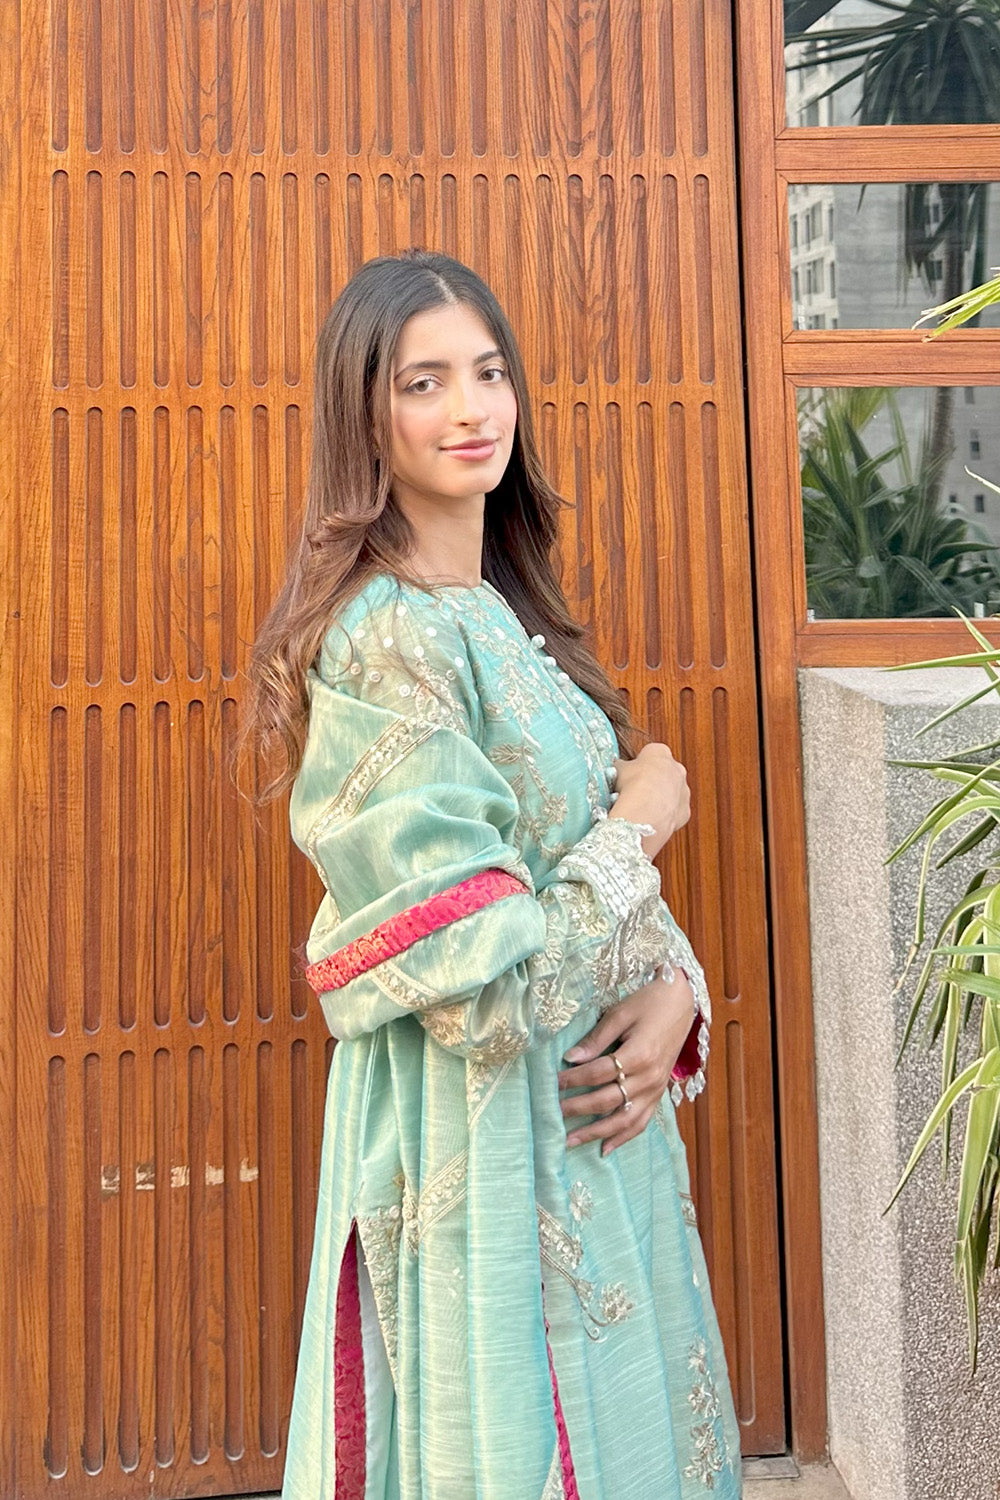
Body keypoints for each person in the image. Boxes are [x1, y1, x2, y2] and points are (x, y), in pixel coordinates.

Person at [249, 250, 742, 1499]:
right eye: (423, 383)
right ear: (365, 414)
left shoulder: (505, 617)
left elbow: (583, 884)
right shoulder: (385, 643)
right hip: (476, 1146)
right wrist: (644, 824)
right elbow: (481, 986)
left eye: (488, 372)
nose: (470, 409)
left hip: (590, 1138)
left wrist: (674, 991)